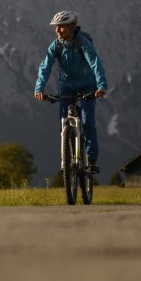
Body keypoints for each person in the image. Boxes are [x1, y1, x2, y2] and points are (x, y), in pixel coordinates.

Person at [34, 10, 108, 173]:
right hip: (66, 86)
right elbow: (45, 66)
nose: (57, 31)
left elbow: (95, 62)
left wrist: (101, 86)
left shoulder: (83, 43)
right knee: (64, 123)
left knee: (88, 122)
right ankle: (65, 159)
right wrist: (39, 88)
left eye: (60, 27)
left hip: (87, 85)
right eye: (56, 27)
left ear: (71, 27)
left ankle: (92, 158)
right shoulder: (56, 45)